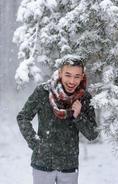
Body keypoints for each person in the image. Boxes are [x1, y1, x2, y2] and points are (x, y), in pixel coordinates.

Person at [17, 54, 98, 184]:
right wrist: (35, 143)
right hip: (42, 163)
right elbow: (23, 117)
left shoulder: (84, 98)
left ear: (82, 76)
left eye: (77, 76)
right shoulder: (43, 92)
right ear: (60, 73)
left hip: (69, 167)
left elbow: (92, 134)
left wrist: (78, 115)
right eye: (68, 75)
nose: (72, 81)